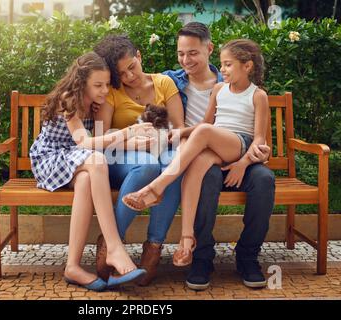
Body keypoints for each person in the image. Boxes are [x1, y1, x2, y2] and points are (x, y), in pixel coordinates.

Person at [125, 23, 275, 290]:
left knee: (264, 180)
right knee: (201, 173)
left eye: (192, 53)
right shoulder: (174, 81)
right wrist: (174, 135)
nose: (185, 60)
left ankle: (248, 256)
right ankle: (193, 249)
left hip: (241, 153)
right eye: (181, 54)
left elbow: (259, 141)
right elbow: (204, 124)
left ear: (209, 49)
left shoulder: (247, 90)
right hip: (206, 150)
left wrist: (243, 163)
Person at [29, 52, 149, 291]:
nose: (104, 90)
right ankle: (114, 246)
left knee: (86, 179)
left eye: (106, 84)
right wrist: (126, 134)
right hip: (50, 159)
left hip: (75, 161)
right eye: (98, 85)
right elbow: (84, 142)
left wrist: (131, 143)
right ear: (81, 82)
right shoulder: (68, 100)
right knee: (95, 162)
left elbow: (100, 141)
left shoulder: (95, 101)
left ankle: (72, 266)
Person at [93, 35, 185, 286]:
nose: (130, 76)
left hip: (162, 147)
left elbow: (180, 131)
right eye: (121, 73)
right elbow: (100, 137)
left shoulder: (164, 83)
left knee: (173, 166)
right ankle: (112, 243)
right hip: (118, 158)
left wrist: (160, 138)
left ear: (140, 56)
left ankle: (153, 247)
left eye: (132, 67)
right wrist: (132, 142)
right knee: (147, 164)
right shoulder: (112, 91)